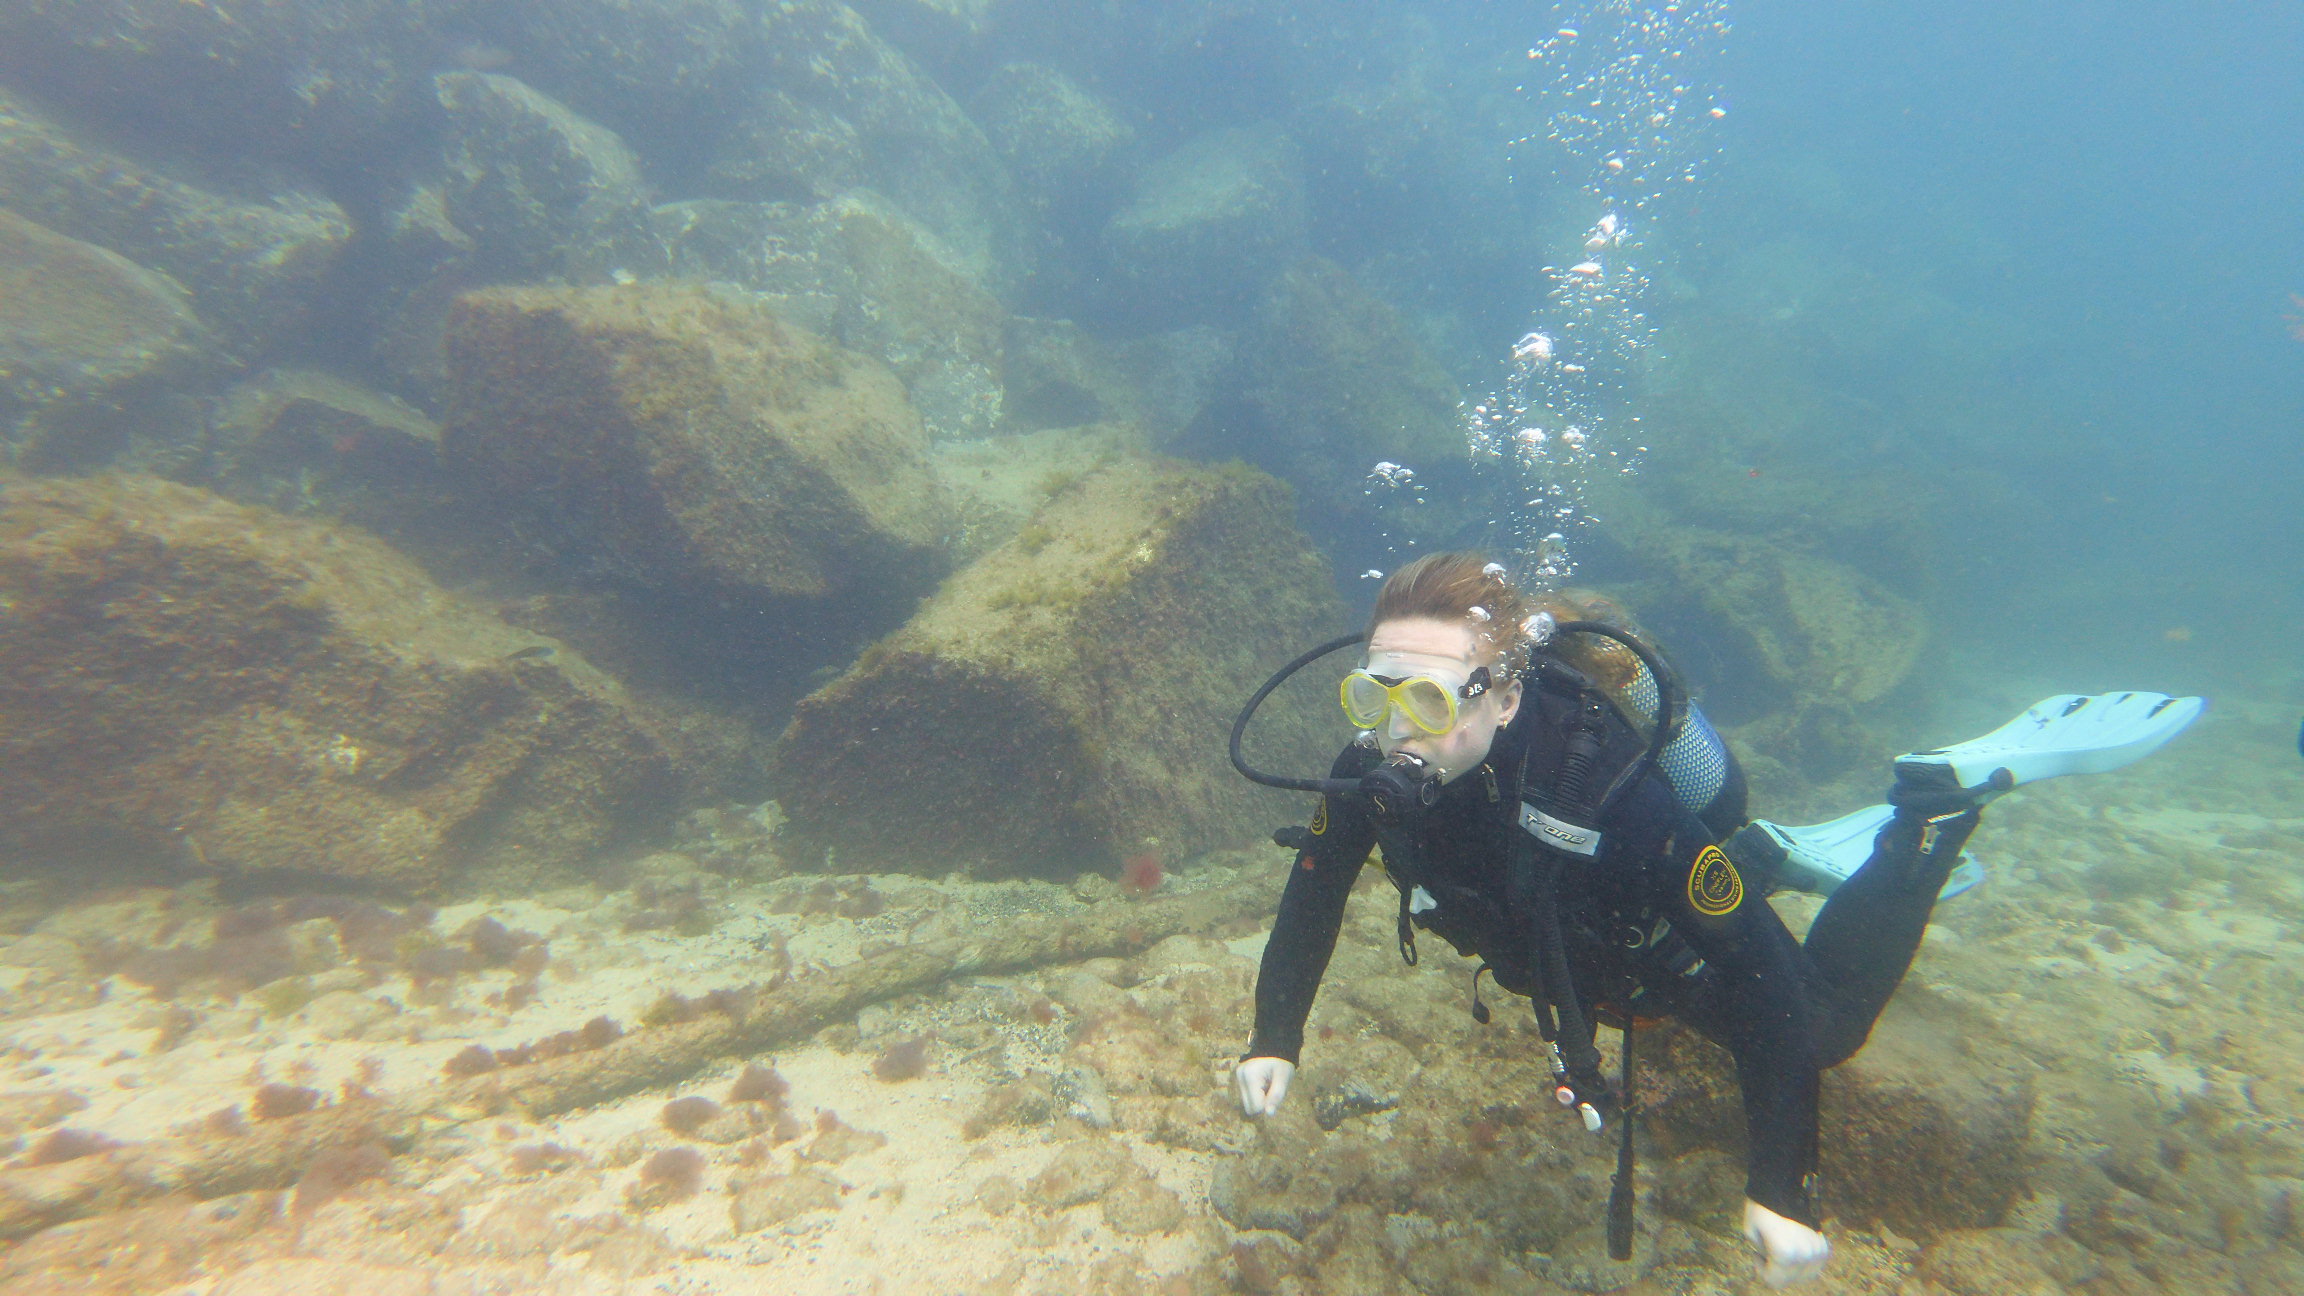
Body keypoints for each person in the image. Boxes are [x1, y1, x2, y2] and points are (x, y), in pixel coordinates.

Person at [1227, 552, 2165, 1289]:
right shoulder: (1368, 768)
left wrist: (1782, 1186)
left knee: (1823, 1024)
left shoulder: (1608, 789)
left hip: (1652, 941)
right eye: (1374, 692)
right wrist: (1275, 1036)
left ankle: (1930, 811)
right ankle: (1767, 855)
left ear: (1506, 698)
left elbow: (1760, 974)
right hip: (1577, 938)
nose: (1396, 729)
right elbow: (1314, 888)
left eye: (1429, 699)